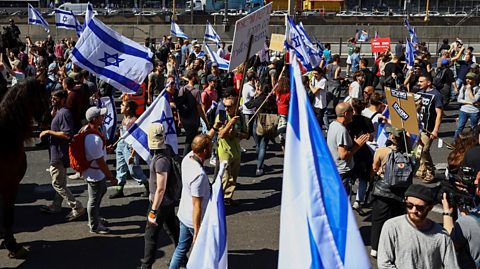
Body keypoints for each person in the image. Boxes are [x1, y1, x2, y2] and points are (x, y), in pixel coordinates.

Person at [377, 184, 459, 269]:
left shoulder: (441, 236)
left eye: (420, 208)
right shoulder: (392, 226)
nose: (413, 210)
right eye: (409, 205)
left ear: (430, 208)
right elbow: (384, 264)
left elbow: (452, 266)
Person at [39, 90, 86, 221]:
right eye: (52, 98)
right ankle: (56, 205)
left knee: (57, 184)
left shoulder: (64, 113)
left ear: (63, 99)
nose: (53, 100)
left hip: (59, 153)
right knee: (61, 181)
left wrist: (49, 131)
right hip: (56, 151)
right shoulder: (58, 112)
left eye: (56, 98)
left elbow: (67, 134)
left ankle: (77, 207)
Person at [168, 134, 214, 269]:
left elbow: (200, 141)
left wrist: (214, 129)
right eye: (210, 146)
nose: (212, 149)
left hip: (183, 214)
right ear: (205, 151)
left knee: (181, 248)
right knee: (201, 253)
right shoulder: (199, 175)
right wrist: (197, 231)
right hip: (193, 221)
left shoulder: (188, 158)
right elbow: (197, 205)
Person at [139, 123, 181, 269]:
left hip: (160, 203)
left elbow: (160, 188)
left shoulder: (161, 160)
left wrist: (153, 211)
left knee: (150, 235)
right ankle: (181, 256)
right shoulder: (167, 150)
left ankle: (146, 265)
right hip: (167, 202)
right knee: (173, 229)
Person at [369, 127, 409, 258]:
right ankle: (393, 246)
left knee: (378, 220)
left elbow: (375, 167)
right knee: (396, 220)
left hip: (383, 190)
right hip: (400, 191)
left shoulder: (381, 151)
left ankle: (375, 248)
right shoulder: (408, 153)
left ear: (392, 137)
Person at [82, 107, 117, 234]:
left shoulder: (88, 131)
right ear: (94, 119)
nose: (103, 117)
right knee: (94, 199)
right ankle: (94, 225)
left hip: (94, 172)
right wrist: (111, 177)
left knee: (101, 191)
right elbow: (101, 162)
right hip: (95, 174)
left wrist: (105, 150)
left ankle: (95, 216)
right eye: (101, 116)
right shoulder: (94, 139)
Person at [110, 99, 148, 199]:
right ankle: (119, 190)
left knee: (133, 169)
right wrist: (113, 145)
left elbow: (136, 140)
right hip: (121, 146)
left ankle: (148, 187)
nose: (120, 106)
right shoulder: (124, 119)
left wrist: (132, 154)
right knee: (120, 168)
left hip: (129, 148)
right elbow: (121, 135)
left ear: (128, 108)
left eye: (122, 105)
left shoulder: (134, 121)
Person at [327, 102, 369, 192]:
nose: (353, 113)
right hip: (343, 172)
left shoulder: (333, 125)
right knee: (343, 199)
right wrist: (357, 145)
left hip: (335, 168)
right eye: (351, 111)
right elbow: (343, 155)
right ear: (346, 114)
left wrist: (352, 142)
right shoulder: (341, 130)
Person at [217, 97, 248, 204]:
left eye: (229, 106)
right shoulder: (221, 116)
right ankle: (218, 200)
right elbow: (221, 134)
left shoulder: (240, 118)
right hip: (224, 152)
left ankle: (227, 198)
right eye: (224, 106)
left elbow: (246, 134)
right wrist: (230, 123)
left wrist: (238, 134)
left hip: (236, 151)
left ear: (235, 107)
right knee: (224, 178)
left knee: (233, 178)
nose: (226, 108)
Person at [416, 75, 444, 183]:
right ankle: (422, 168)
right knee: (418, 150)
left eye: (421, 81)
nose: (419, 83)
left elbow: (439, 114)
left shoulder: (436, 95)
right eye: (419, 81)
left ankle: (430, 171)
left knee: (424, 150)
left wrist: (435, 129)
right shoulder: (419, 93)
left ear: (428, 83)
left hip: (429, 128)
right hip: (419, 127)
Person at [176, 70, 209, 155]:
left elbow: (178, 106)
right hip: (193, 120)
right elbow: (199, 108)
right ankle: (185, 159)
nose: (198, 78)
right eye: (197, 76)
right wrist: (205, 121)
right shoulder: (196, 92)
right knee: (190, 141)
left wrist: (180, 119)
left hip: (184, 119)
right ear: (193, 77)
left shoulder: (182, 89)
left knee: (189, 139)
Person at [454, 72, 480, 139]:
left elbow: (474, 100)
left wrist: (469, 90)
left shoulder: (478, 89)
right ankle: (455, 142)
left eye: (470, 79)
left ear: (474, 80)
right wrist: (469, 103)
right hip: (463, 110)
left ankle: (473, 142)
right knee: (460, 127)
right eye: (467, 78)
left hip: (474, 112)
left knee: (474, 128)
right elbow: (459, 99)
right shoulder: (463, 88)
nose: (468, 80)